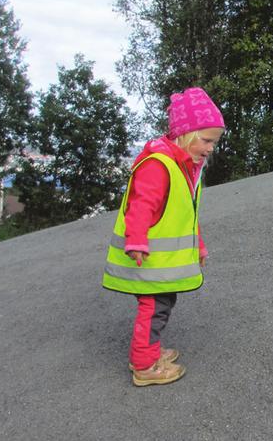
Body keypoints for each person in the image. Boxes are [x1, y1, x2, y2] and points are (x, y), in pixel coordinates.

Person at [102, 87, 225, 386]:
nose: (210, 148)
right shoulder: (160, 165)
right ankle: (144, 365)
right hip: (148, 260)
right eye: (206, 140)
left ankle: (149, 351)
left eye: (214, 143)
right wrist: (136, 240)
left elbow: (185, 217)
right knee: (154, 309)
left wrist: (200, 247)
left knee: (161, 305)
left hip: (160, 262)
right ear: (185, 133)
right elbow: (140, 206)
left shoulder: (183, 168)